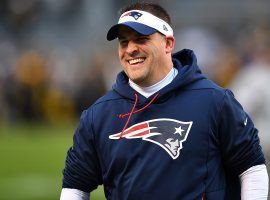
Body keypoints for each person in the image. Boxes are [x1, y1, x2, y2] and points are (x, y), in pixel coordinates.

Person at [60, 2, 269, 200]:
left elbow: (252, 168)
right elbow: (75, 186)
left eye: (141, 39)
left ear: (168, 43)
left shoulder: (214, 101)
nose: (130, 49)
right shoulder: (98, 115)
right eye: (124, 42)